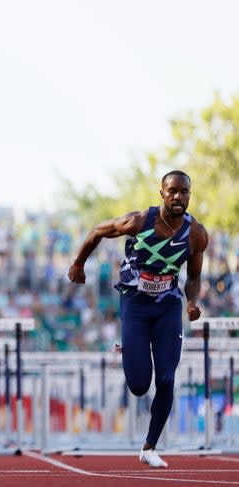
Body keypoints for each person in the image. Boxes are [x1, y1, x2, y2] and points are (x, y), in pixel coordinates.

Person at [68, 170, 208, 468]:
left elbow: (194, 277)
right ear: (162, 193)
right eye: (172, 191)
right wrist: (79, 264)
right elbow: (97, 232)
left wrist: (192, 301)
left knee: (168, 377)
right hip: (135, 304)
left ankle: (149, 447)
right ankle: (130, 348)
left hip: (168, 304)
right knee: (140, 385)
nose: (178, 197)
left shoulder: (196, 233)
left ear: (189, 195)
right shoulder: (140, 221)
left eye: (184, 192)